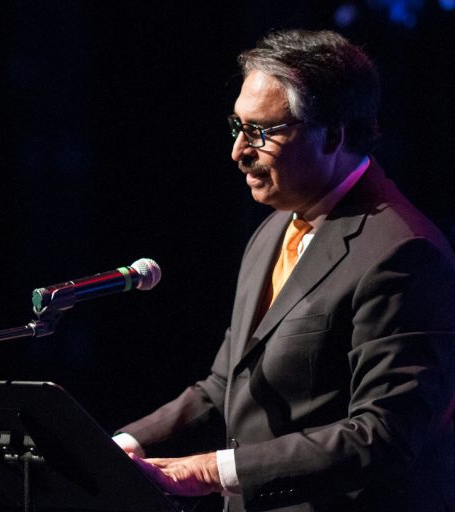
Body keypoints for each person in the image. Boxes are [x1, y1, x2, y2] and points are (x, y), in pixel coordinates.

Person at [114, 29, 455, 512]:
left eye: (261, 131)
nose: (238, 152)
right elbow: (223, 385)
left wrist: (211, 470)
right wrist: (121, 444)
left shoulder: (404, 252)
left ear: (332, 135)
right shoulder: (274, 229)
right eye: (237, 126)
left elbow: (384, 434)